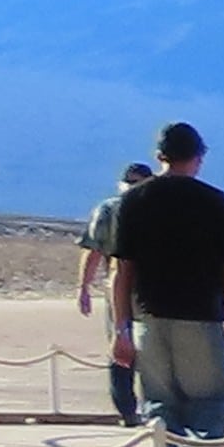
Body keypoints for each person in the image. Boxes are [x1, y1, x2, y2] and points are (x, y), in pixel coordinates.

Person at [102, 123, 224, 447]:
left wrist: (120, 329)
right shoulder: (213, 202)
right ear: (199, 158)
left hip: (147, 319)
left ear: (160, 157)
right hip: (199, 318)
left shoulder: (133, 201)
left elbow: (121, 272)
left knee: (160, 407)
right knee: (208, 404)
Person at [76, 161, 150, 424]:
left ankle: (135, 410)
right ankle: (134, 410)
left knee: (128, 344)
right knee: (128, 346)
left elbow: (93, 249)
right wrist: (83, 287)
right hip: (131, 287)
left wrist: (84, 287)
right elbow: (93, 250)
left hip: (137, 287)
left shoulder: (114, 209)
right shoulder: (110, 210)